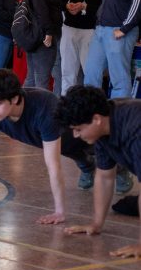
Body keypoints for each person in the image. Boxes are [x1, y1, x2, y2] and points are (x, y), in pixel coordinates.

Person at [0, 70, 106, 224]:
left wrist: (59, 212)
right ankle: (88, 166)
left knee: (85, 145)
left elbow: (53, 165)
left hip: (69, 130)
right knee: (69, 150)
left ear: (15, 99)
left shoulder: (44, 108)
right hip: (42, 135)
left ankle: (105, 163)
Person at [59, 85, 141, 258]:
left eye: (78, 129)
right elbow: (104, 176)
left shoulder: (135, 129)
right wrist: (96, 224)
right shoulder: (103, 127)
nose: (75, 135)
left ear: (96, 119)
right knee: (125, 206)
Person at [59, 0, 105, 95]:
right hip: (69, 29)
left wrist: (86, 6)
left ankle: (93, 109)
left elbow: (106, 7)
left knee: (91, 73)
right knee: (67, 71)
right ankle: (67, 106)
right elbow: (59, 1)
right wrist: (68, 6)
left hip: (91, 31)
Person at [20, 0, 62, 90]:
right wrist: (49, 33)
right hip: (43, 37)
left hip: (36, 36)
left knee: (32, 78)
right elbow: (41, 10)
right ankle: (40, 110)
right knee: (41, 80)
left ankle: (24, 109)